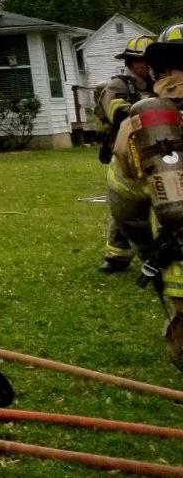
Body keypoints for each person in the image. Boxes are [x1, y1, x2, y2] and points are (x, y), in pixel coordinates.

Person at [106, 24, 183, 368]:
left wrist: (147, 248)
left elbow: (124, 200)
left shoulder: (144, 122)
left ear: (157, 69)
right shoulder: (120, 92)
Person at [96, 35, 155, 273]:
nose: (149, 67)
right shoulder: (118, 86)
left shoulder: (156, 84)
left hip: (154, 151)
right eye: (144, 62)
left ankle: (156, 252)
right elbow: (118, 115)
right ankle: (117, 256)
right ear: (132, 63)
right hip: (125, 154)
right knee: (126, 204)